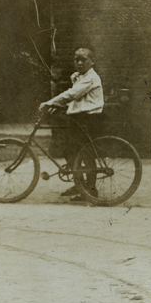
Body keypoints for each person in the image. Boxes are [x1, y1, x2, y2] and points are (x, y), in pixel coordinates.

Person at [39, 47, 104, 198]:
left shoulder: (90, 78)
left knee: (85, 154)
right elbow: (79, 99)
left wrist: (50, 103)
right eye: (76, 60)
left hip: (88, 119)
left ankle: (91, 190)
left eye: (84, 60)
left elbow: (73, 94)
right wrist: (59, 106)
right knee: (70, 151)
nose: (79, 63)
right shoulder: (80, 77)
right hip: (78, 118)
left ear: (92, 61)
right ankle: (79, 185)